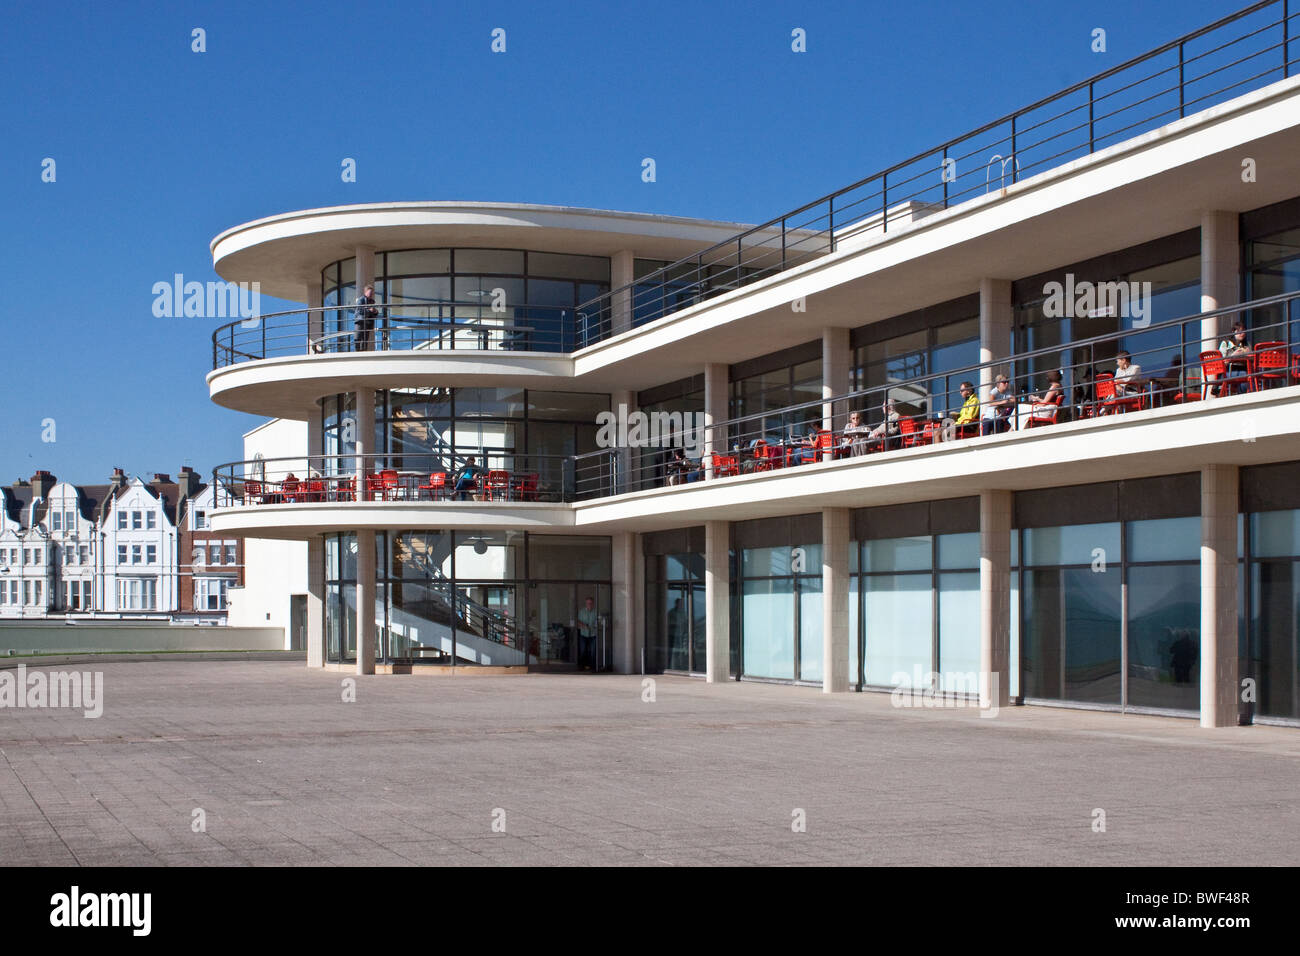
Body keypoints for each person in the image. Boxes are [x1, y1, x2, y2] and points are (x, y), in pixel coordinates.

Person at [1216, 321, 1251, 395]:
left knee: (1250, 374)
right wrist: (1232, 356)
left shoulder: (1246, 345)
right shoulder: (1225, 343)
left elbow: (1252, 360)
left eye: (1244, 331)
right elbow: (1220, 363)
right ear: (1233, 332)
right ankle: (1244, 396)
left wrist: (1248, 354)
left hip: (1241, 370)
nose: (1242, 333)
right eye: (1239, 331)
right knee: (1246, 375)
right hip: (1227, 372)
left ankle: (1245, 395)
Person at [353, 283, 379, 352]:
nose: (371, 294)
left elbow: (373, 314)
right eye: (370, 293)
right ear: (365, 292)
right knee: (358, 338)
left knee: (365, 340)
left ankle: (364, 351)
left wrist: (375, 312)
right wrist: (369, 310)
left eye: (372, 293)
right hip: (360, 321)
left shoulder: (372, 302)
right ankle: (357, 352)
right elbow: (359, 310)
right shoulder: (361, 300)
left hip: (367, 323)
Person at [577, 596, 598, 670]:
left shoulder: (596, 612)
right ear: (586, 603)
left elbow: (598, 622)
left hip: (593, 634)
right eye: (588, 603)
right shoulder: (581, 611)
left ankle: (593, 667)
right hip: (583, 634)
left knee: (593, 651)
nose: (589, 604)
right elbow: (578, 621)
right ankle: (582, 667)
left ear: (593, 604)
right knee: (583, 651)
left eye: (591, 603)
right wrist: (584, 625)